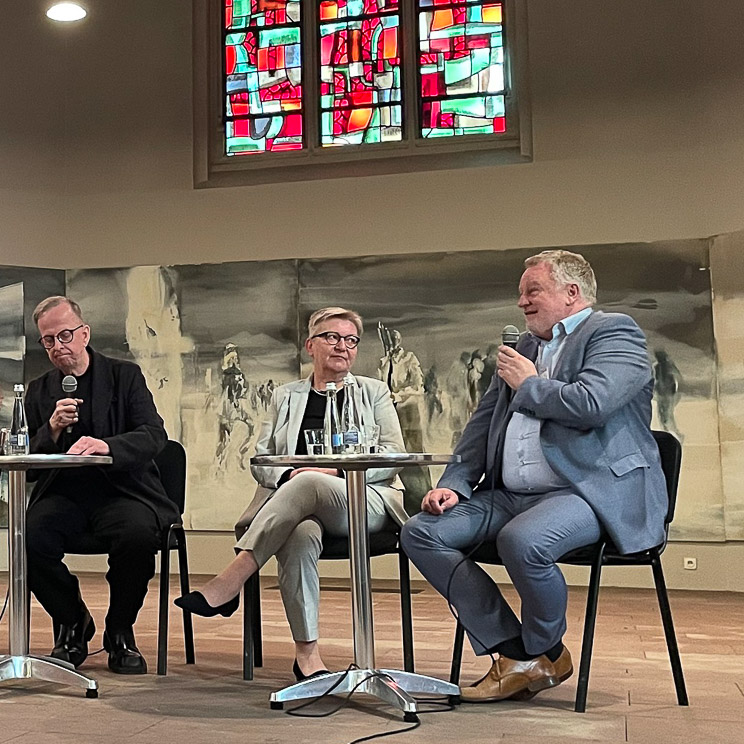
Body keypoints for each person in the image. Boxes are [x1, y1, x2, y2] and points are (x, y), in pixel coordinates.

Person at [401, 250, 666, 703]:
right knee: (422, 533)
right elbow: (481, 425)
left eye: (533, 291)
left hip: (586, 489)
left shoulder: (614, 332)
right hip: (509, 494)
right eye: (521, 293)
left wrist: (528, 384)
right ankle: (518, 653)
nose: (522, 302)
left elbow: (592, 403)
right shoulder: (523, 348)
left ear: (572, 293)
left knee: (523, 541)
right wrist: (454, 482)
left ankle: (538, 646)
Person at [176, 307, 408, 680]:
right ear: (310, 346)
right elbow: (261, 459)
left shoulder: (375, 391)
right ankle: (307, 656)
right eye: (332, 337)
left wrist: (329, 471)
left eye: (351, 340)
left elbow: (394, 455)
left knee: (308, 481)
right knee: (299, 535)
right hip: (301, 509)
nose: (342, 347)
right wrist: (289, 475)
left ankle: (234, 577)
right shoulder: (286, 396)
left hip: (366, 500)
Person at [24, 296, 176, 675]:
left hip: (123, 490)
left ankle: (120, 631)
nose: (58, 346)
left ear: (84, 333)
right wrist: (52, 428)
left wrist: (108, 445)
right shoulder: (40, 391)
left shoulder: (125, 376)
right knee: (29, 537)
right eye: (48, 340)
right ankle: (73, 621)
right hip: (64, 494)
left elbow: (154, 435)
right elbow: (27, 460)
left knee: (138, 536)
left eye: (65, 335)